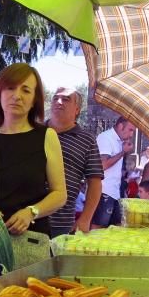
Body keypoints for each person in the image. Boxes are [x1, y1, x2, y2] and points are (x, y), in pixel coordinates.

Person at [0, 63, 67, 238]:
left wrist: (32, 212)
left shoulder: (46, 136)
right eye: (10, 88)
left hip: (31, 240)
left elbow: (60, 194)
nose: (17, 96)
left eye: (26, 90)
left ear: (34, 99)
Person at [46, 86, 102, 237]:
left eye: (66, 99)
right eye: (56, 98)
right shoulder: (34, 132)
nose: (59, 102)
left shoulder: (87, 140)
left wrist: (85, 219)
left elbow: (95, 182)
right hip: (26, 219)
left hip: (62, 224)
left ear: (77, 110)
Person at [93, 116, 136, 226]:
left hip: (114, 192)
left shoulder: (119, 141)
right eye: (130, 130)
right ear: (121, 126)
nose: (131, 135)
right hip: (103, 191)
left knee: (115, 227)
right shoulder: (106, 138)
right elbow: (103, 165)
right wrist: (123, 152)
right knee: (98, 228)